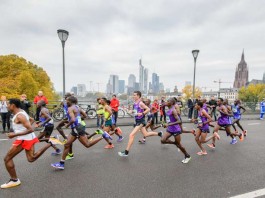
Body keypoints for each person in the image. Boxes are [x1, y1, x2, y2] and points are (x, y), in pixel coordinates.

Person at [1, 99, 60, 189]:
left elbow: (30, 129)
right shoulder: (22, 112)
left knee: (7, 159)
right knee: (31, 158)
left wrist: (14, 134)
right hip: (27, 138)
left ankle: (14, 180)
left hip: (24, 139)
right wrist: (20, 129)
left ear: (13, 105)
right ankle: (50, 143)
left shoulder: (20, 116)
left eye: (8, 104)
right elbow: (31, 120)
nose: (7, 106)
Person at [51, 96, 112, 170]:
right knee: (67, 144)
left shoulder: (70, 108)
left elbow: (73, 119)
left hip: (77, 128)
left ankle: (103, 135)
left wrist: (68, 124)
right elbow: (85, 115)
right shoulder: (77, 107)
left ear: (70, 101)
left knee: (87, 144)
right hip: (77, 127)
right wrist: (78, 119)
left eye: (67, 100)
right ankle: (61, 163)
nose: (66, 101)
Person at [118, 91, 162, 157]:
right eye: (133, 95)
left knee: (131, 135)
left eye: (135, 95)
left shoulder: (140, 103)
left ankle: (126, 152)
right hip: (138, 121)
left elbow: (148, 109)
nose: (133, 96)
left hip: (141, 121)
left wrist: (142, 113)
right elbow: (135, 111)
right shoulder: (135, 103)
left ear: (138, 96)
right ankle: (159, 134)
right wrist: (131, 111)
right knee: (146, 134)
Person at [160, 98, 191, 163]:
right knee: (163, 140)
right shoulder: (168, 110)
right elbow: (169, 120)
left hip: (176, 130)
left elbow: (179, 121)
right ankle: (175, 143)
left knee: (179, 145)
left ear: (171, 103)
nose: (166, 102)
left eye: (168, 101)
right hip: (170, 129)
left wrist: (170, 124)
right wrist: (166, 123)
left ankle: (187, 156)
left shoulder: (173, 110)